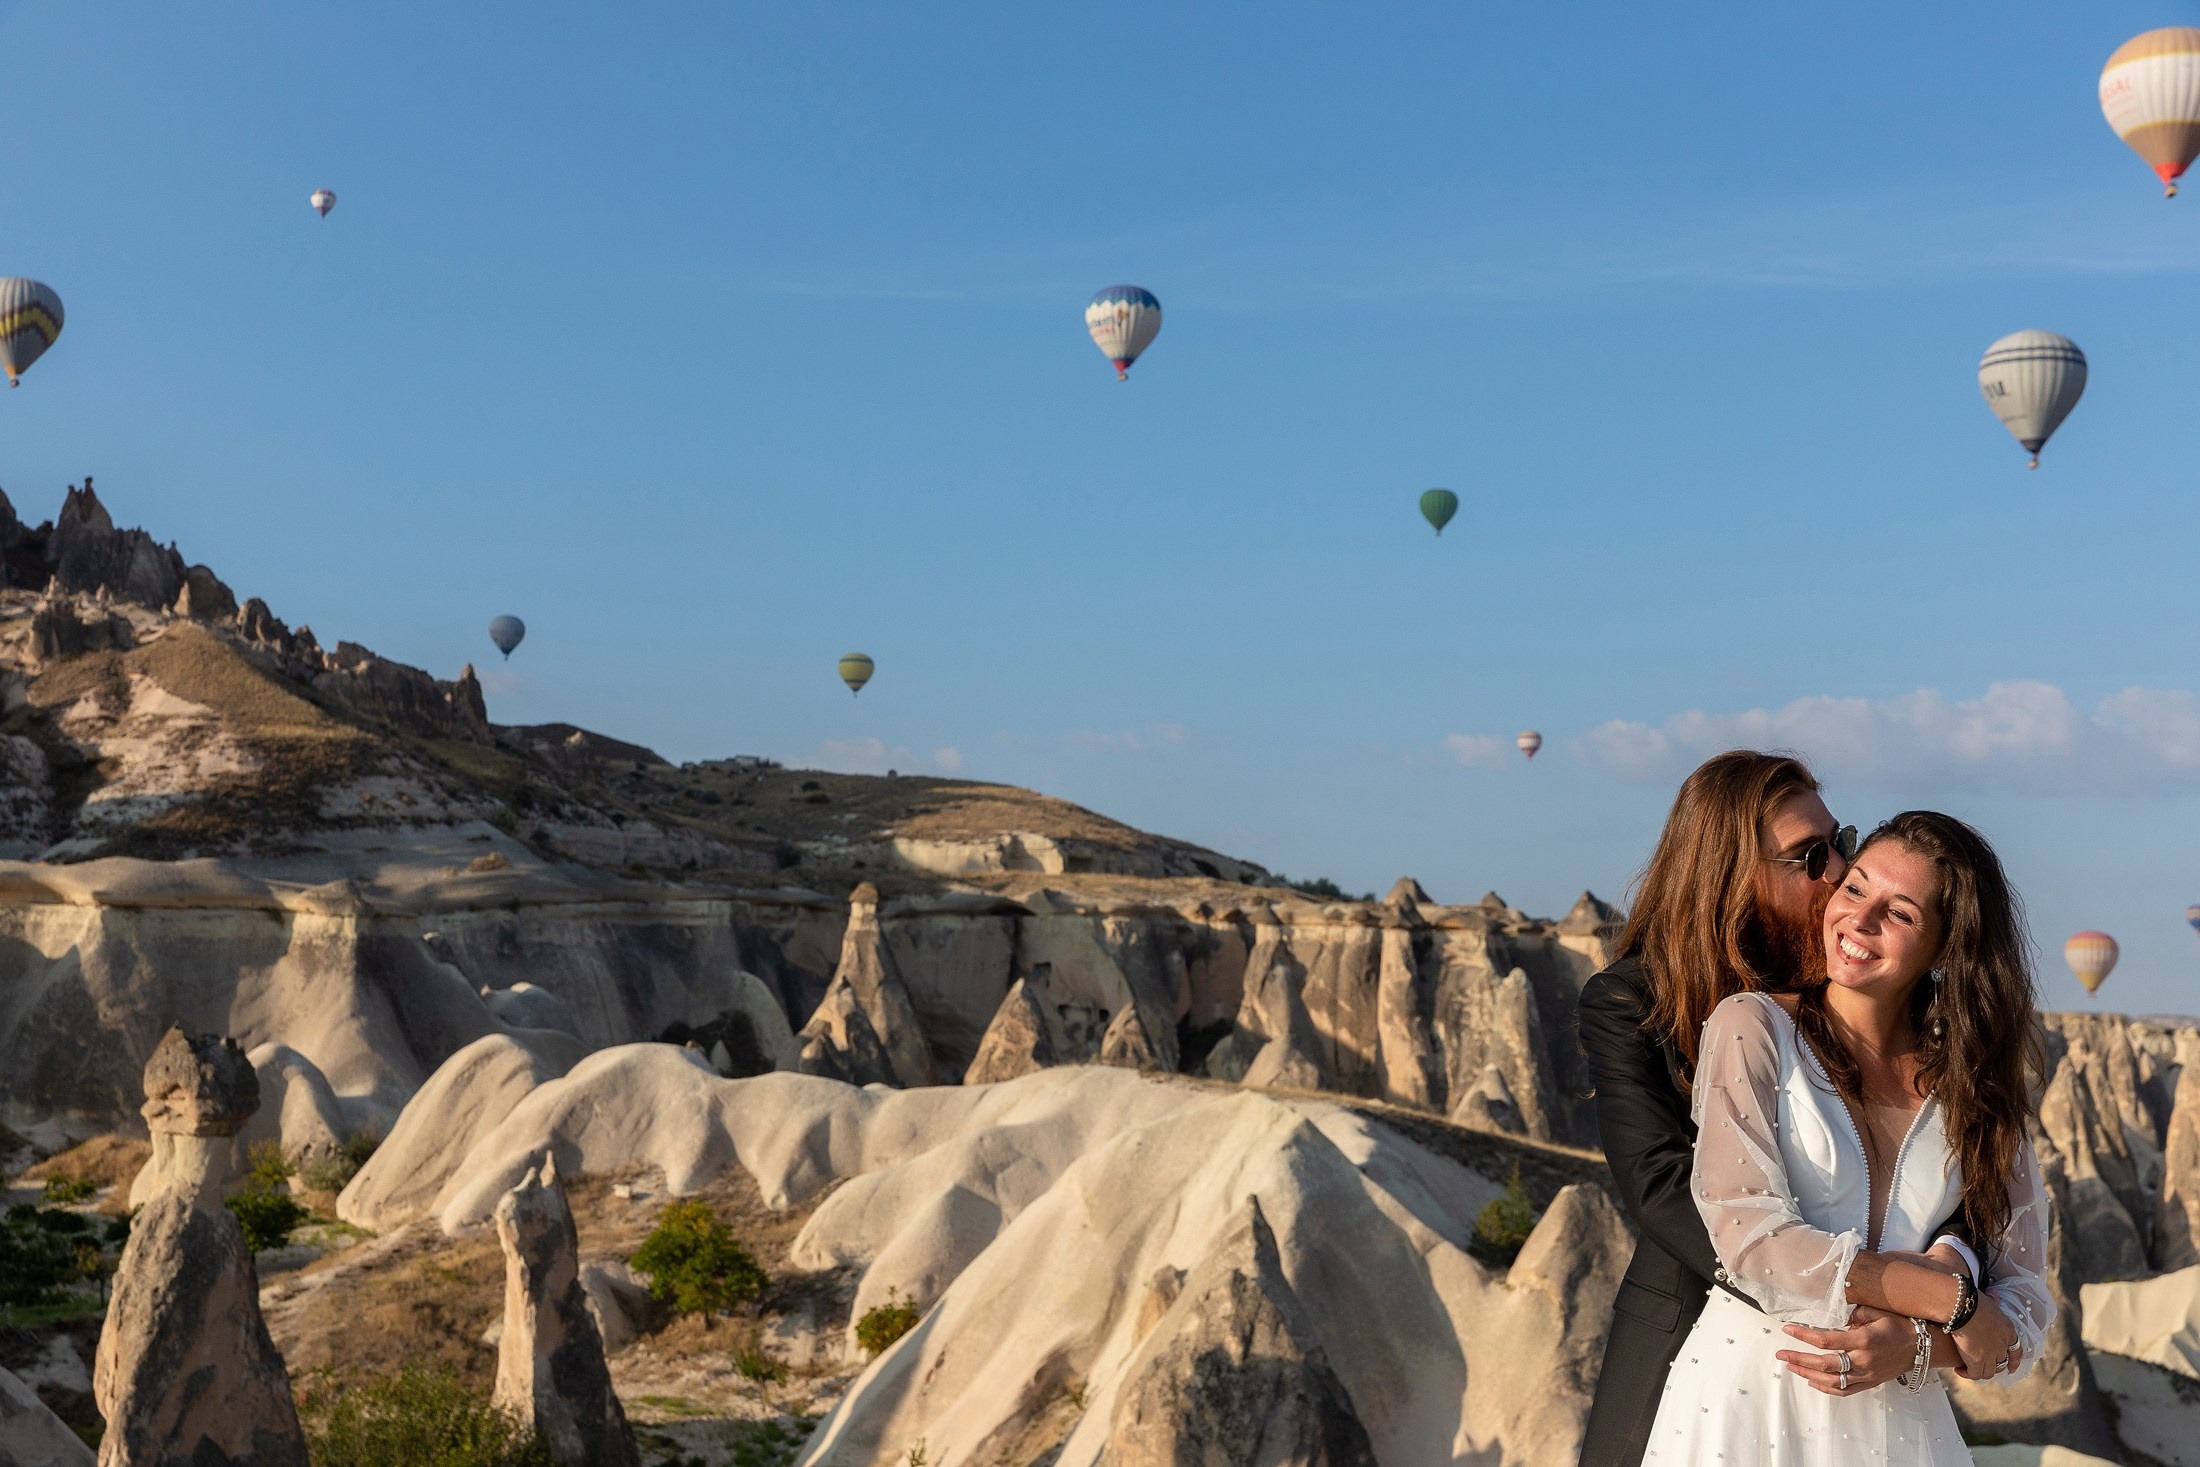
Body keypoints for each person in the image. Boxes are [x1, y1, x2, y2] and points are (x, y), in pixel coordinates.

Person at [1576, 754, 2022, 1466]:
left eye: (1839, 840)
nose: (1837, 869)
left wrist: (1937, 1289)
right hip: (1703, 1355)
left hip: (1876, 1388)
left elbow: (1969, 1176)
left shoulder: (1870, 990)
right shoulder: (1635, 1002)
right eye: (1809, 856)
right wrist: (1907, 1298)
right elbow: (1665, 1192)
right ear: (1729, 871)